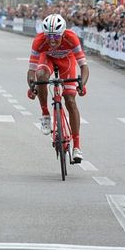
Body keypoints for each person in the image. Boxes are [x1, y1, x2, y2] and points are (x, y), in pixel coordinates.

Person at [27, 13, 90, 162]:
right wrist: (32, 85)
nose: (52, 40)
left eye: (56, 36)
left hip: (67, 62)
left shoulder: (71, 38)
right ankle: (45, 114)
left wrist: (82, 83)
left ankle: (77, 147)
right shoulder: (39, 41)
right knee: (41, 76)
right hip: (47, 59)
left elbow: (84, 66)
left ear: (62, 33)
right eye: (49, 36)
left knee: (70, 100)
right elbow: (31, 71)